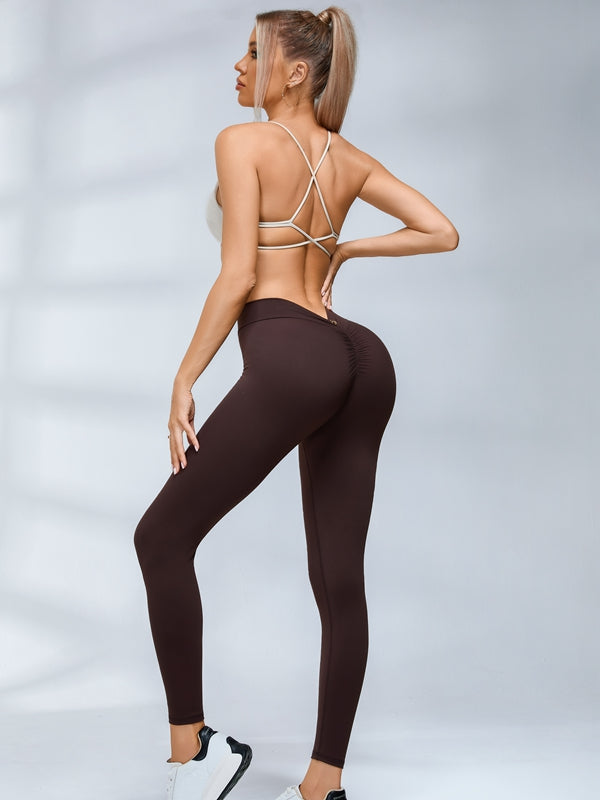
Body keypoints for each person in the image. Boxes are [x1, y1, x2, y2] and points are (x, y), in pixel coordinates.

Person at [134, 6, 459, 800]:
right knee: (339, 580)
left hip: (291, 351)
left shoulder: (241, 142)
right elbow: (440, 230)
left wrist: (185, 375)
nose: (239, 65)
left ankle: (194, 753)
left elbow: (239, 275)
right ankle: (323, 786)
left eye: (255, 52)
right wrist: (347, 245)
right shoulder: (349, 158)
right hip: (361, 356)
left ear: (296, 72)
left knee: (161, 538)